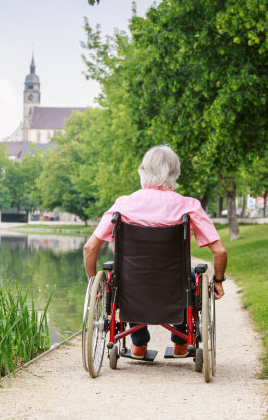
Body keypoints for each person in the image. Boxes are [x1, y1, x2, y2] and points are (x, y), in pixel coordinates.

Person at [83, 145, 228, 359]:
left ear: (142, 171)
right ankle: (180, 345)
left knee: (125, 278)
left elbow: (89, 248)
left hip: (132, 284)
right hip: (174, 284)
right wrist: (218, 280)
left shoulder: (123, 205)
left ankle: (138, 346)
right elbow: (220, 251)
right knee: (189, 280)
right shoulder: (189, 206)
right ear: (175, 173)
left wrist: (93, 283)